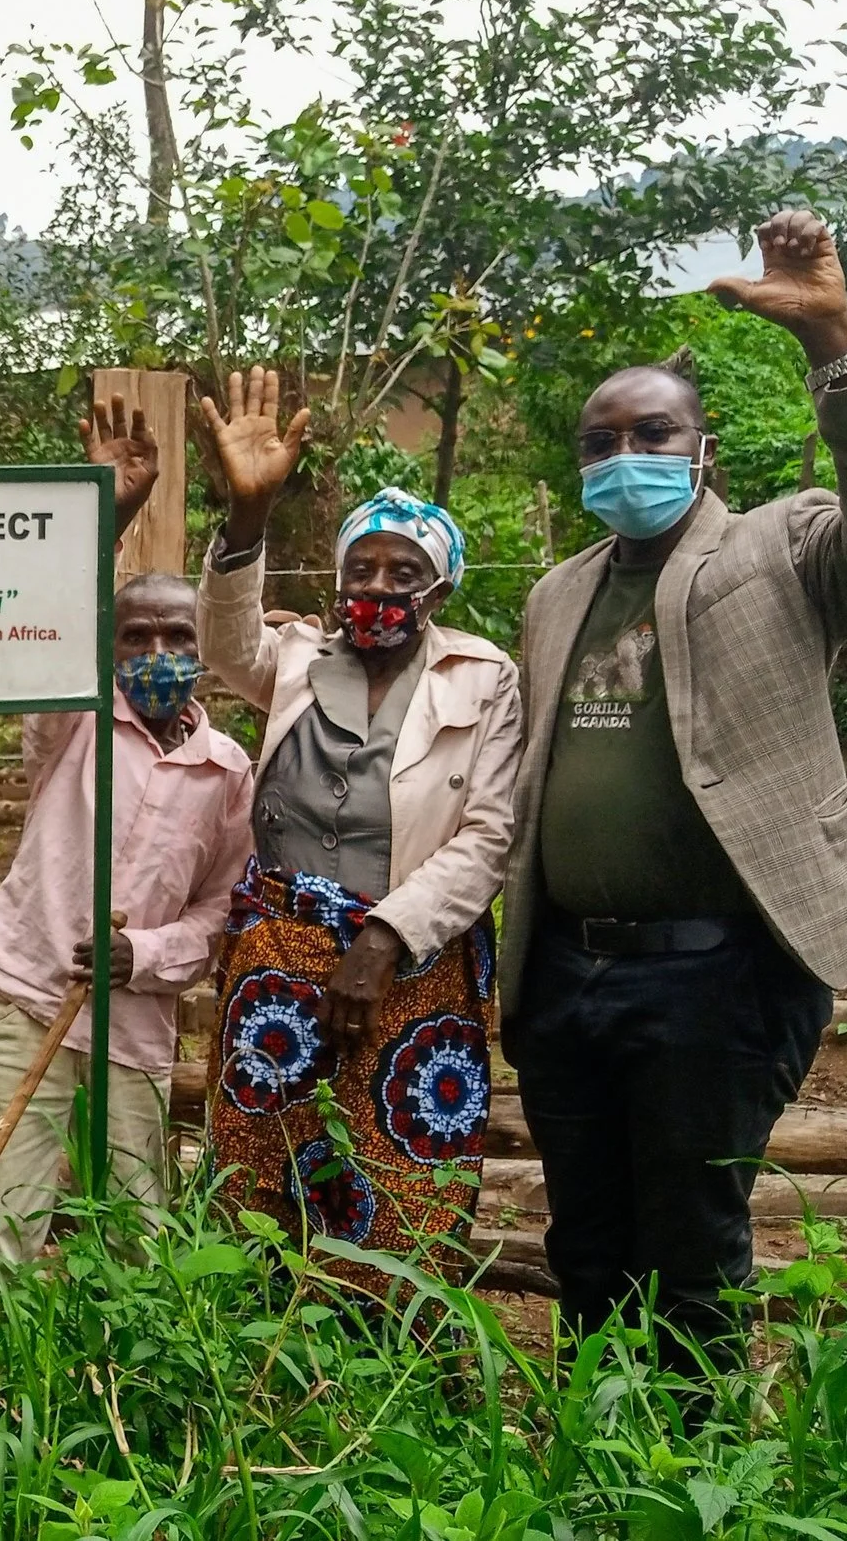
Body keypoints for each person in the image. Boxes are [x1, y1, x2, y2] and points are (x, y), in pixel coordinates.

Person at [502, 210, 847, 1372]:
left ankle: (689, 1470)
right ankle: (595, 1450)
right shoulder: (555, 594)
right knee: (585, 1236)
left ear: (700, 449)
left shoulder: (788, 550)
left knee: (690, 1241)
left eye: (651, 432)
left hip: (719, 971)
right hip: (568, 969)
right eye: (599, 440)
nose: (623, 455)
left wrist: (833, 340)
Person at [198, 371, 521, 1289]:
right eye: (363, 569)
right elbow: (223, 644)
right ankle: (252, 1357)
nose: (380, 586)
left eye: (404, 572)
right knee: (261, 1158)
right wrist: (248, 516)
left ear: (441, 585)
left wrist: (384, 939)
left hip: (413, 961)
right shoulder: (297, 655)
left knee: (405, 1159)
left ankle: (391, 1361)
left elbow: (489, 834)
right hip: (278, 946)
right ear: (338, 581)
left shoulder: (482, 677)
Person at [0, 401, 254, 1269]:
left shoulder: (226, 770)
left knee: (138, 1229)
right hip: (25, 998)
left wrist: (146, 952)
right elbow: (52, 616)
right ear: (108, 647)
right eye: (136, 636)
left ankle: (124, 1393)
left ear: (203, 650)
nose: (157, 649)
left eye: (176, 635)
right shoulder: (71, 718)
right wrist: (112, 508)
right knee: (0, 1214)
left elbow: (218, 912)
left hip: (133, 1024)